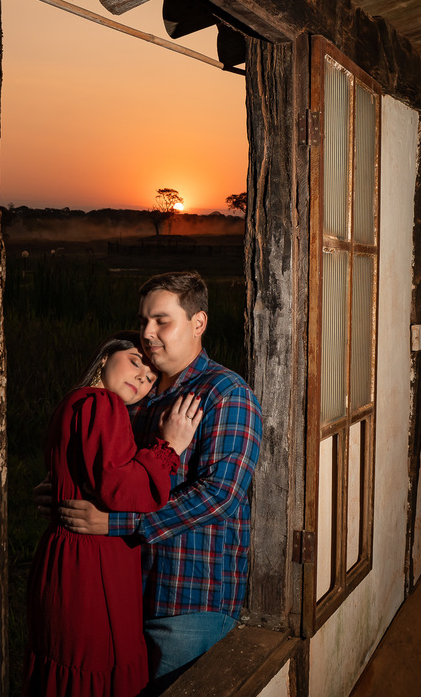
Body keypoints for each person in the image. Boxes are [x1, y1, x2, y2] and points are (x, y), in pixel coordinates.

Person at [55, 271, 263, 689]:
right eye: (144, 320)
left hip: (186, 600)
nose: (148, 332)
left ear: (198, 323)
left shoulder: (224, 394)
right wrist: (67, 490)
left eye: (162, 321)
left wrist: (112, 523)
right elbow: (113, 473)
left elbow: (219, 495)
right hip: (127, 589)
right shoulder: (140, 393)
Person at [23, 331, 203, 697]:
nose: (142, 376)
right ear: (105, 358)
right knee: (96, 668)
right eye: (135, 361)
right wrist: (169, 447)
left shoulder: (74, 402)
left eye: (151, 377)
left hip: (66, 555)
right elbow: (122, 489)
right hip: (92, 563)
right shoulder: (103, 405)